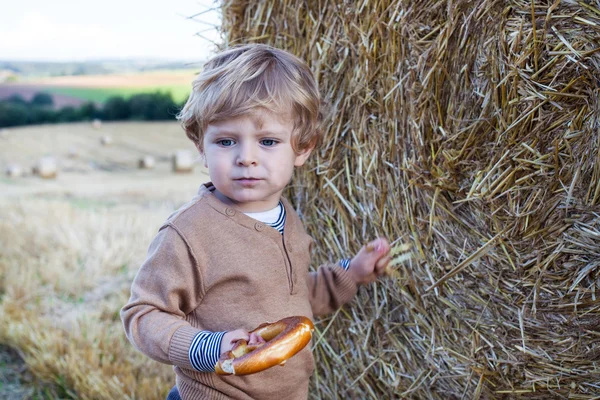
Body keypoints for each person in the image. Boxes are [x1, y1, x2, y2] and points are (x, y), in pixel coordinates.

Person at [120, 44, 391, 400]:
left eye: (267, 141)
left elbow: (289, 298)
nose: (246, 158)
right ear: (201, 146)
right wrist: (206, 347)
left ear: (303, 148)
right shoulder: (189, 232)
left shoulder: (287, 219)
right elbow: (143, 313)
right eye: (226, 141)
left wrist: (351, 273)